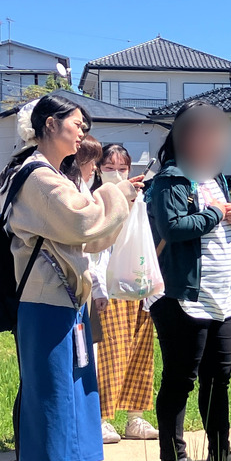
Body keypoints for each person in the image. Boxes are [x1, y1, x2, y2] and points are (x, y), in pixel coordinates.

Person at [2, 94, 142, 461]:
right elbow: (83, 222)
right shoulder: (38, 177)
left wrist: (119, 200)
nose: (82, 131)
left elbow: (89, 236)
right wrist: (116, 192)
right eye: (77, 123)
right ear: (50, 124)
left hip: (60, 295)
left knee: (63, 387)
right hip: (44, 296)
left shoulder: (52, 175)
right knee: (49, 389)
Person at [147, 100, 231, 461]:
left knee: (218, 378)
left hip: (220, 294)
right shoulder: (171, 178)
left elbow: (220, 224)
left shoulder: (216, 177)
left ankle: (220, 453)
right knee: (180, 378)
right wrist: (216, 213)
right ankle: (172, 460)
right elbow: (173, 228)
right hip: (182, 295)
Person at [90, 143, 160, 445]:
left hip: (139, 284)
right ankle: (101, 418)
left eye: (122, 168)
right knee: (110, 353)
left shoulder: (141, 199)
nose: (117, 173)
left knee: (140, 352)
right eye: (110, 168)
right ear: (98, 170)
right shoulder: (96, 199)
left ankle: (136, 417)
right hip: (110, 285)